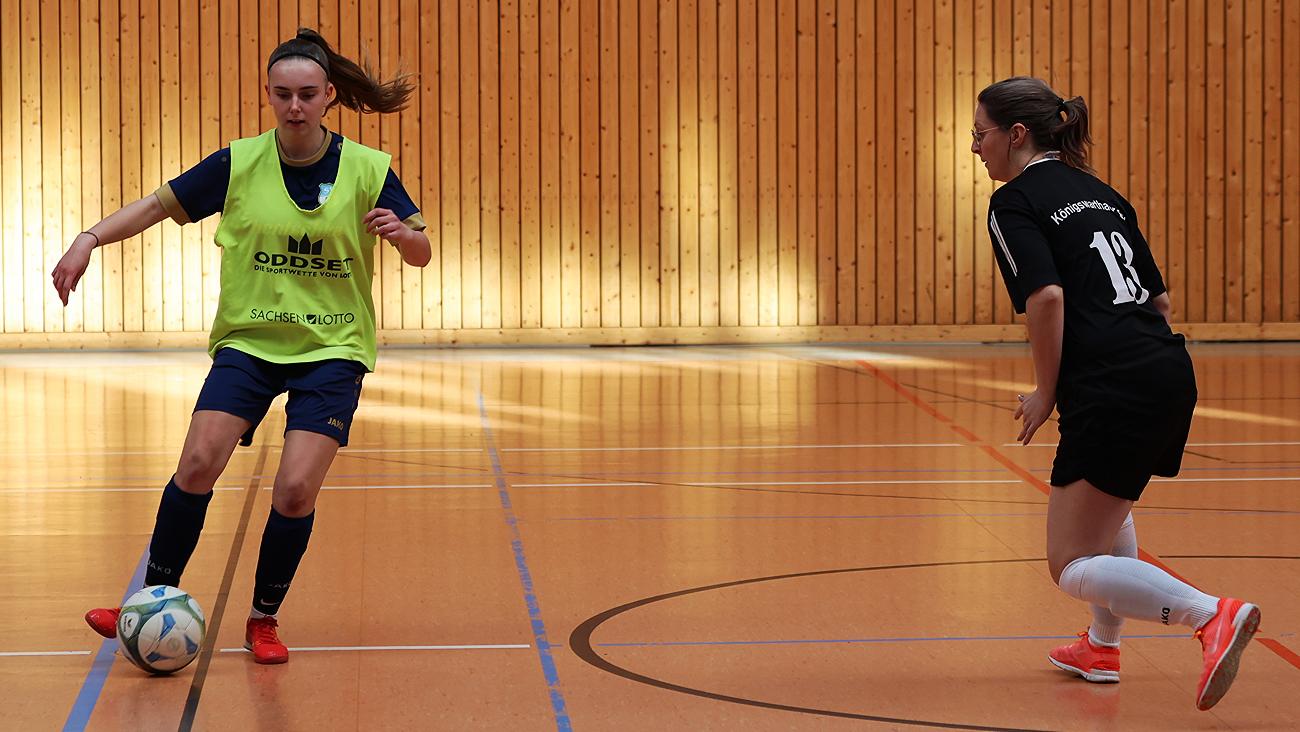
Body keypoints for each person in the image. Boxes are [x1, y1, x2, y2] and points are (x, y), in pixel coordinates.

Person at [51, 28, 431, 665]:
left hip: (332, 348)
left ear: (329, 96)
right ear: (269, 95)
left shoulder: (369, 169)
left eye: (306, 94)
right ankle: (145, 600)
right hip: (250, 342)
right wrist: (88, 238)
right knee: (199, 461)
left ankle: (263, 619)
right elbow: (155, 207)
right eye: (282, 94)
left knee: (295, 490)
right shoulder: (239, 162)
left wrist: (401, 234)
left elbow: (421, 253)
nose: (294, 106)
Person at [972, 76, 1259, 710]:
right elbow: (1159, 302)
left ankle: (1211, 614)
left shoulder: (1012, 201)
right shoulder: (1103, 194)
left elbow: (1047, 297)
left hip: (1111, 384)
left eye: (980, 134)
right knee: (1108, 508)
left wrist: (1047, 391)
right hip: (1166, 369)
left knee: (1070, 563)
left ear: (1015, 135)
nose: (975, 147)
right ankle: (1101, 647)